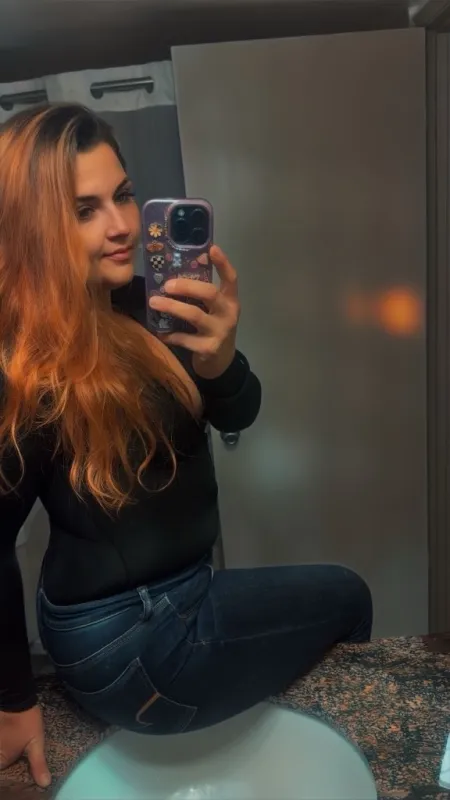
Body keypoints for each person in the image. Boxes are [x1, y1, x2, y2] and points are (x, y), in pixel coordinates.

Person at [0, 104, 372, 789]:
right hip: (131, 640)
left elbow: (239, 411)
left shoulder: (137, 307)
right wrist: (14, 701)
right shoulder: (26, 359)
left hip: (168, 598)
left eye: (122, 195)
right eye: (82, 210)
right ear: (33, 227)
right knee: (347, 598)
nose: (121, 225)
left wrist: (220, 359)